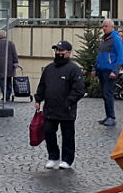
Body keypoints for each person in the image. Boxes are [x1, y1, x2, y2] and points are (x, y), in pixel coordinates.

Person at [34, 40, 85, 170]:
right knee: (48, 132)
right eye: (56, 50)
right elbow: (42, 85)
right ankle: (53, 157)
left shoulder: (74, 69)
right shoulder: (49, 69)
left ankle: (67, 160)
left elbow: (79, 90)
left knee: (67, 135)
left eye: (61, 50)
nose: (58, 53)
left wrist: (68, 102)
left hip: (67, 110)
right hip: (50, 108)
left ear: (68, 53)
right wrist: (38, 99)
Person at [92, 19, 123, 126]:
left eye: (106, 26)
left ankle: (111, 117)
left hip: (110, 71)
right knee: (105, 94)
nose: (104, 28)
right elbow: (99, 56)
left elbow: (120, 56)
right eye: (103, 26)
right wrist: (95, 68)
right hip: (102, 70)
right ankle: (108, 116)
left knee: (108, 93)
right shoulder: (104, 39)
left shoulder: (115, 39)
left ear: (112, 27)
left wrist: (115, 70)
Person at [0, 29, 19, 102]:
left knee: (2, 82)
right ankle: (7, 95)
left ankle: (5, 95)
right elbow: (14, 54)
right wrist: (16, 62)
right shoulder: (11, 43)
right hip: (9, 66)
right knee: (8, 81)